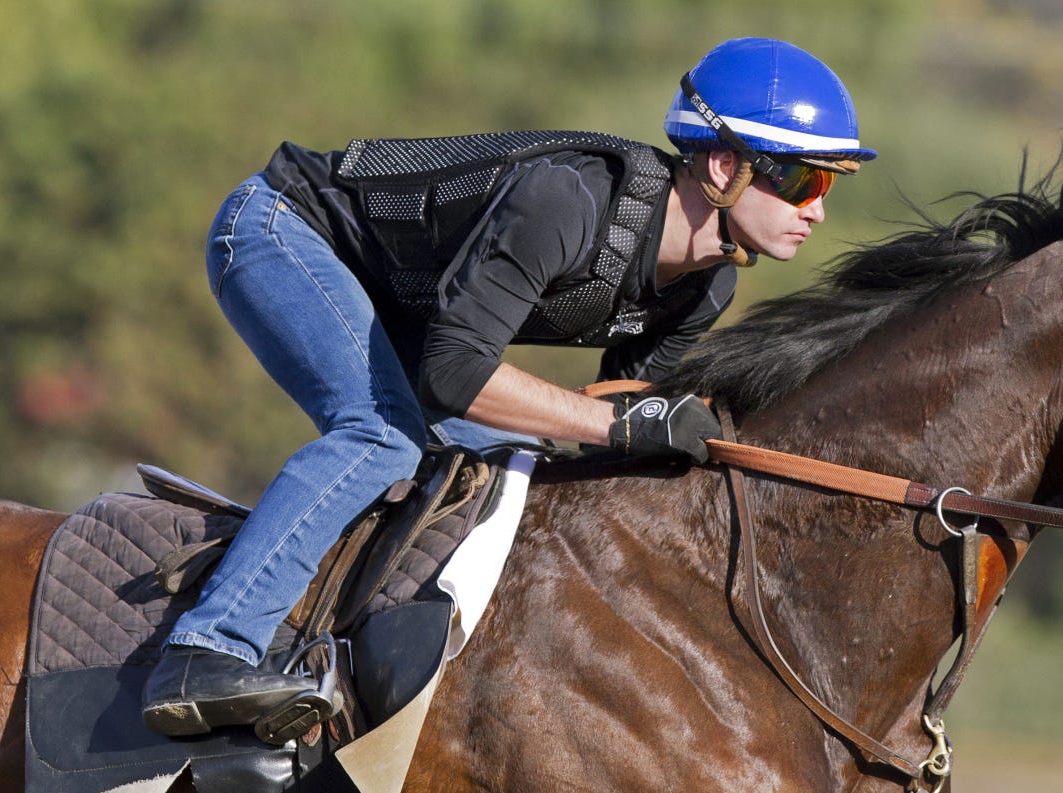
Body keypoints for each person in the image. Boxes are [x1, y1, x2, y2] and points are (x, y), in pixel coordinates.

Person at [142, 37, 876, 738]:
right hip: (281, 230)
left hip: (399, 313)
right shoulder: (570, 201)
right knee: (382, 433)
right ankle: (206, 651)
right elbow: (456, 375)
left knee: (514, 465)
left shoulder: (705, 287)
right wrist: (619, 426)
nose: (817, 209)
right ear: (723, 165)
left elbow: (618, 420)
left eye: (829, 186)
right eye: (805, 180)